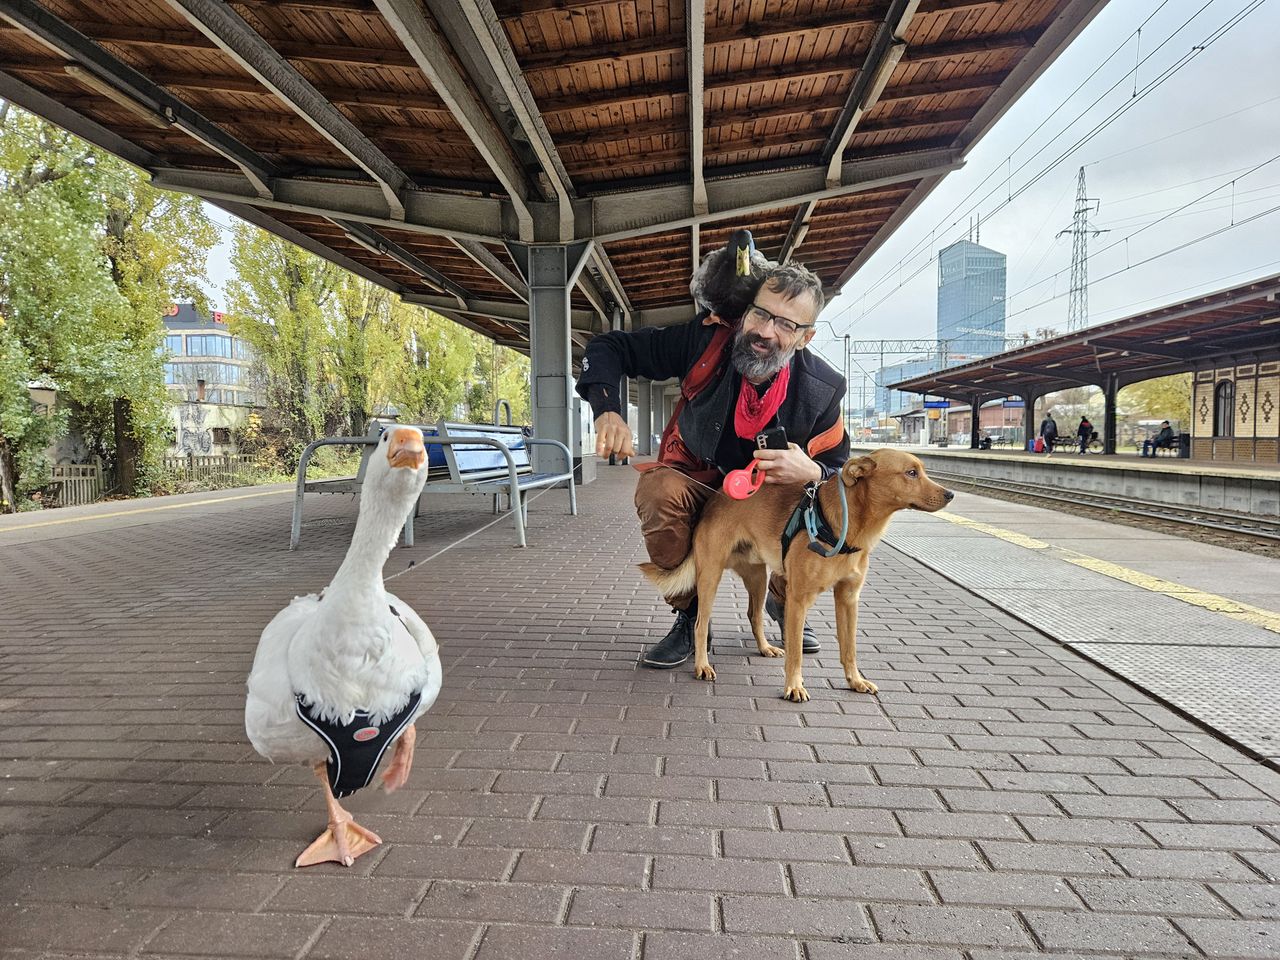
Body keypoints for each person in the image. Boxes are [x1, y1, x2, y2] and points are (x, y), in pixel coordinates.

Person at [579, 261, 847, 669]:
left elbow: (840, 468)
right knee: (658, 490)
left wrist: (813, 471)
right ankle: (689, 614)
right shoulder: (702, 342)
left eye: (786, 325)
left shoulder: (824, 389)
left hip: (768, 509)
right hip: (700, 486)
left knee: (815, 508)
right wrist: (607, 410)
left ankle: (781, 599)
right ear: (746, 312)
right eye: (760, 313)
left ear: (805, 337)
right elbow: (609, 347)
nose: (765, 331)